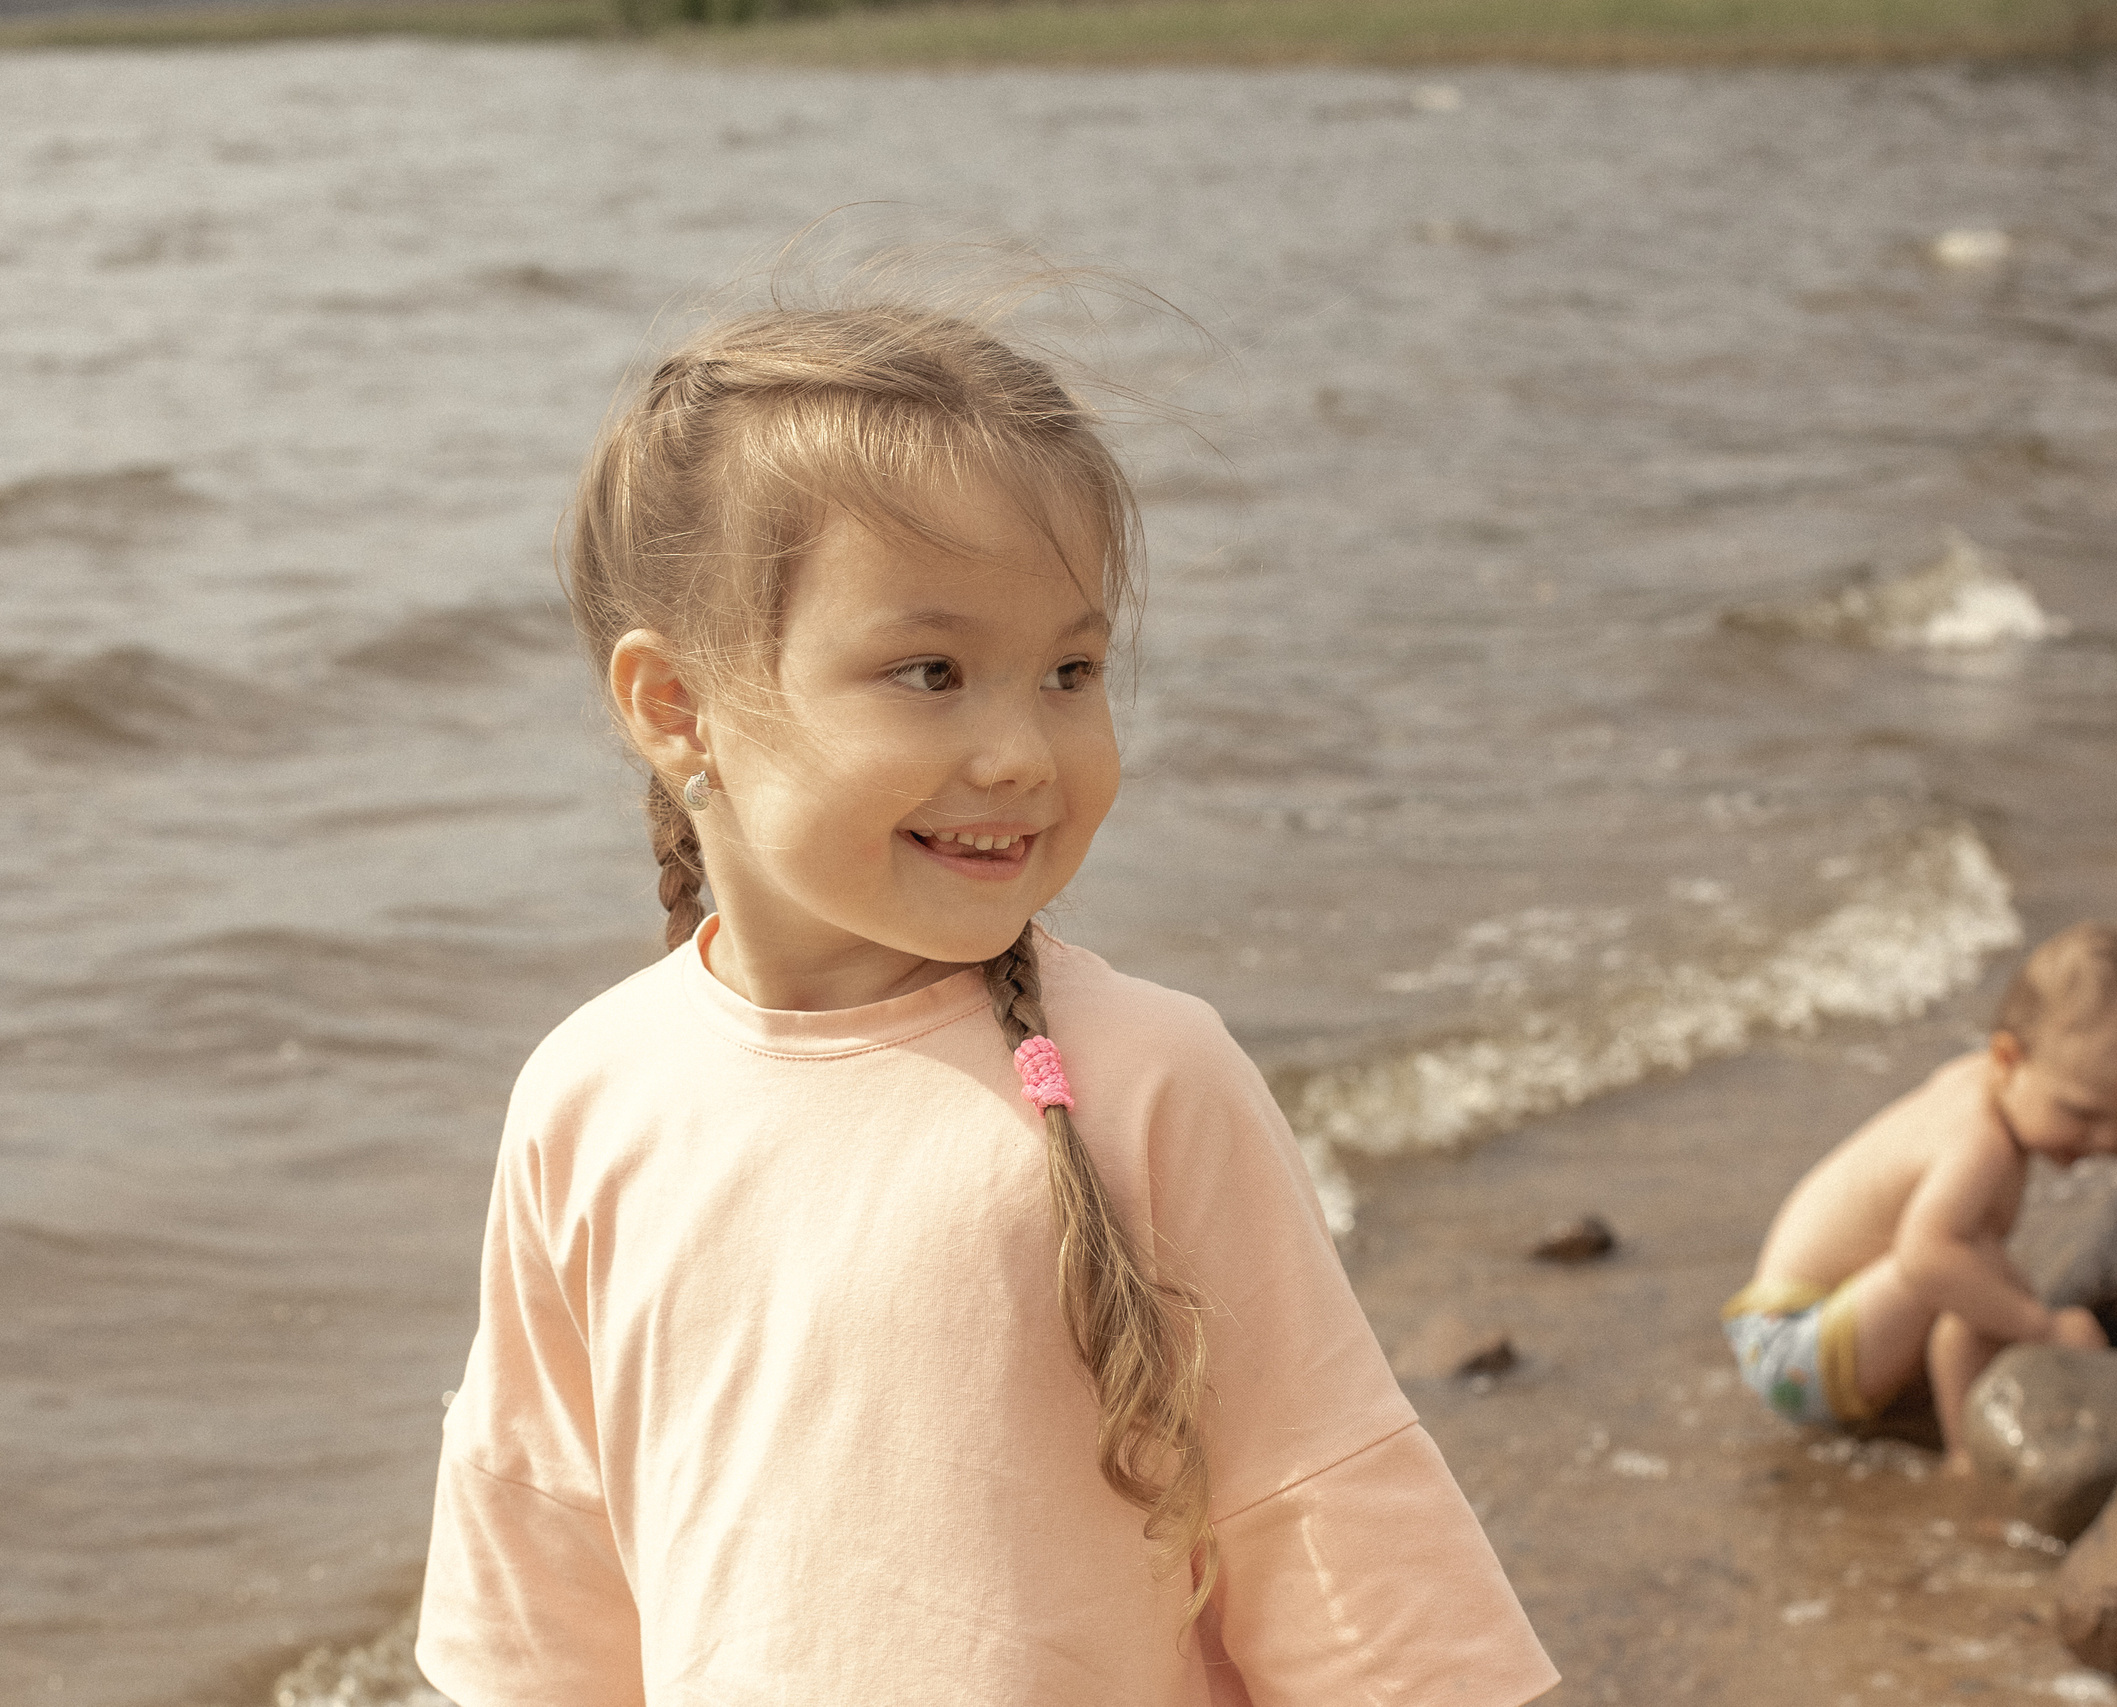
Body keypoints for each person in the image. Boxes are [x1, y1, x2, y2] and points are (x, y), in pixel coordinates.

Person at [414, 293, 1559, 1706]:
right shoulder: (590, 1095)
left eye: (1071, 670)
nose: (1022, 750)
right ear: (676, 706)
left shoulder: (1149, 1075)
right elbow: (545, 1596)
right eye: (931, 673)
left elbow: (1332, 1536)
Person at [1722, 922, 2117, 1468]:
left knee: (1973, 1268)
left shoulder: (1995, 1083)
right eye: (2083, 1116)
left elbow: (2099, 1112)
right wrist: (2043, 1327)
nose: (2104, 1141)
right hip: (1796, 1350)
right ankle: (1967, 1457)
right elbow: (1924, 1256)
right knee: (1964, 1266)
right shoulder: (1980, 1144)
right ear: (2008, 1058)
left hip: (1791, 1333)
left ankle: (1929, 1404)